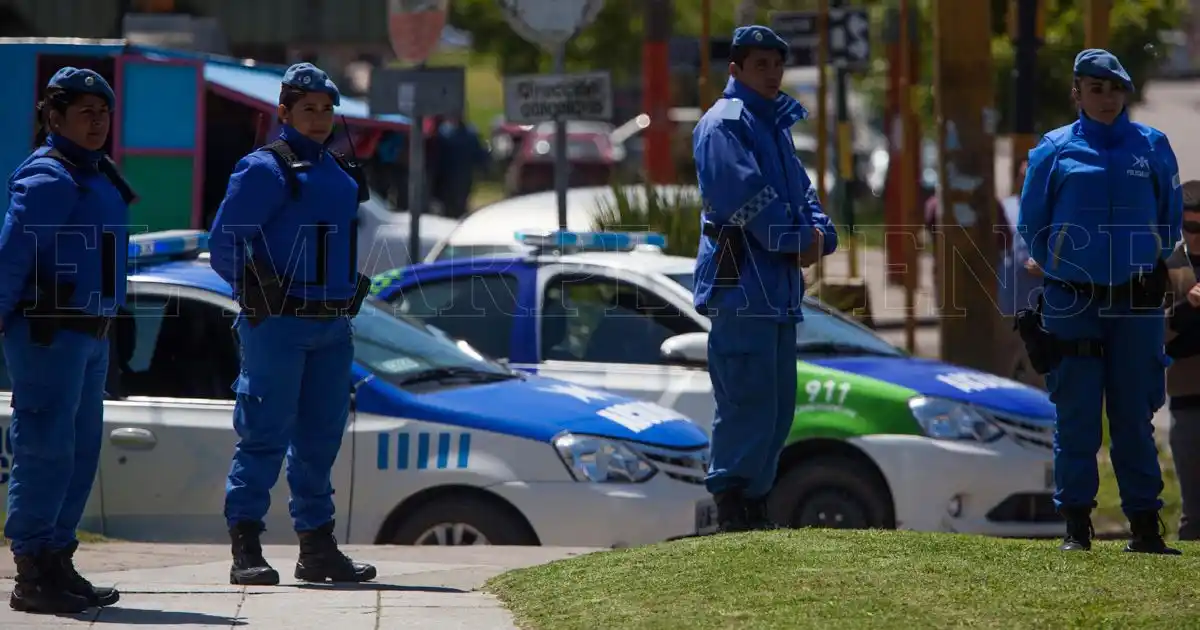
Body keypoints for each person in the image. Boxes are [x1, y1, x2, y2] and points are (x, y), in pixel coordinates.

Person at [209, 62, 375, 585]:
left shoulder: (338, 172)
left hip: (332, 326)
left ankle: (317, 548)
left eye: (327, 109)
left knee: (321, 440)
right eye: (308, 109)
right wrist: (259, 292)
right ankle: (246, 547)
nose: (321, 118)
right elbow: (224, 245)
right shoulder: (264, 169)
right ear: (284, 112)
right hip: (279, 323)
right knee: (263, 434)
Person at [1017, 49, 1182, 554]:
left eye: (1114, 89)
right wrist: (1064, 265)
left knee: (1135, 413)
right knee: (1077, 413)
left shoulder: (1153, 147)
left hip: (1136, 304)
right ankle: (1075, 526)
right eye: (1095, 89)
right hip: (1072, 303)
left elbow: (1169, 219)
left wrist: (1144, 262)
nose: (1106, 98)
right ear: (1078, 94)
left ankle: (1145, 527)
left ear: (1124, 92)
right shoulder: (1054, 150)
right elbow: (1031, 223)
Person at [692, 25, 838, 532]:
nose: (772, 73)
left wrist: (818, 234)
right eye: (761, 65)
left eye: (777, 64)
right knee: (746, 399)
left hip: (776, 288)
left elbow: (804, 196)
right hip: (741, 284)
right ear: (735, 69)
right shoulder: (726, 124)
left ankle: (755, 505)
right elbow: (748, 201)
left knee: (777, 406)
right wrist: (800, 240)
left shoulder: (773, 125)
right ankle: (732, 506)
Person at [0, 67, 129, 613]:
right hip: (50, 334)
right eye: (85, 113)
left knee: (78, 454)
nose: (98, 123)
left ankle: (57, 558)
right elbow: (11, 259)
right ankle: (32, 574)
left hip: (89, 334)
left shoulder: (96, 173)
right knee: (45, 450)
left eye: (103, 113)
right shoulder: (52, 178)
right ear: (54, 118)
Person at [1163, 180, 1200, 541]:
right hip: (1189, 403)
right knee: (1195, 513)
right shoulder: (1170, 268)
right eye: (1191, 227)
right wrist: (1185, 306)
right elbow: (1153, 335)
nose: (1198, 235)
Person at [999, 159, 1047, 390]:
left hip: (1039, 306)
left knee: (1037, 370)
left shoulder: (1050, 210)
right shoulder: (1004, 207)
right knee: (1004, 367)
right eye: (1022, 176)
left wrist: (1045, 268)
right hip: (1008, 303)